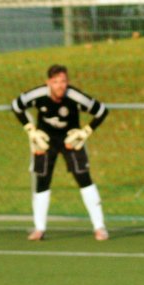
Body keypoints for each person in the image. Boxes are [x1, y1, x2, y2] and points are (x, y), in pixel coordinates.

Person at [12, 64, 109, 241]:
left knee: (83, 177)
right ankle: (39, 229)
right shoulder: (39, 94)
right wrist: (31, 130)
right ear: (48, 82)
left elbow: (102, 111)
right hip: (45, 141)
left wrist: (85, 131)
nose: (60, 85)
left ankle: (100, 227)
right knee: (42, 180)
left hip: (70, 141)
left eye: (63, 81)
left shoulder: (74, 96)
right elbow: (16, 106)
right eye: (55, 81)